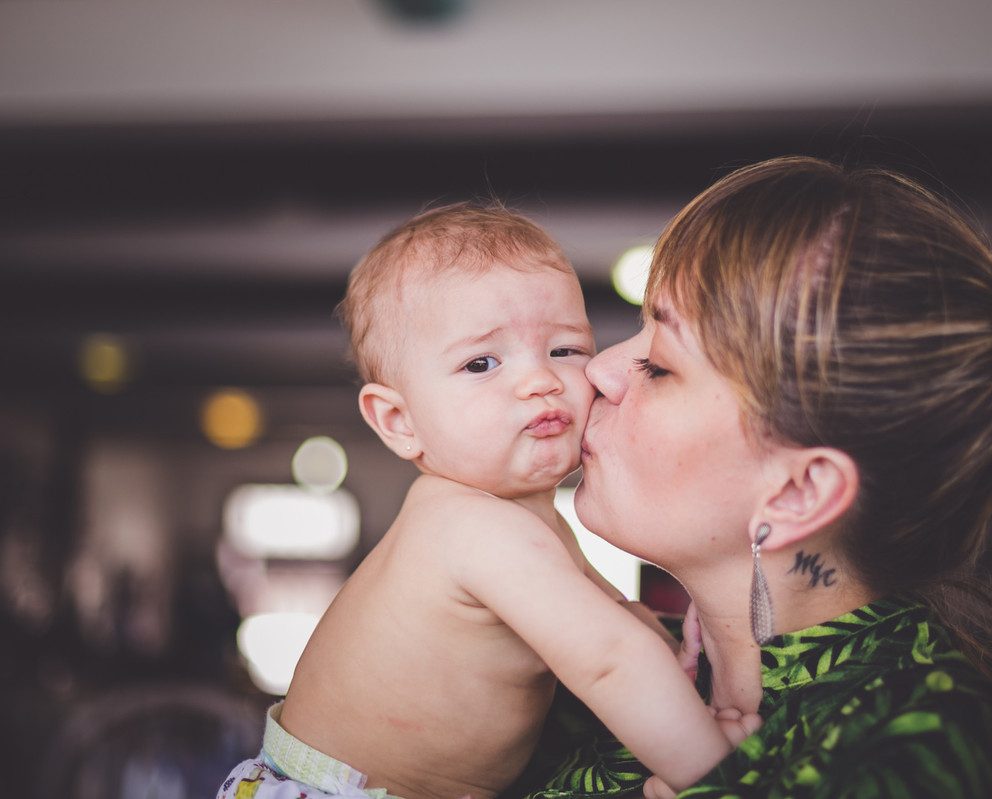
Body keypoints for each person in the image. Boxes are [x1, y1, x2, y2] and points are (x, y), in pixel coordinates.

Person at [508, 156, 992, 799]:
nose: (600, 370)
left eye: (659, 365)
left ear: (800, 492)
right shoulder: (581, 672)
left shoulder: (915, 747)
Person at [217, 204, 754, 799]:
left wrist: (682, 676)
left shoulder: (522, 522)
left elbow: (617, 620)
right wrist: (714, 774)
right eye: (482, 363)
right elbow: (608, 659)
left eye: (564, 351)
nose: (538, 381)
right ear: (399, 421)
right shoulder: (468, 527)